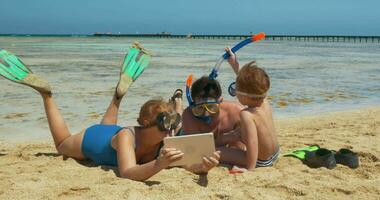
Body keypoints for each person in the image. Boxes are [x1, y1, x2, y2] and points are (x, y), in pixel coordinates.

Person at [0, 45, 220, 181]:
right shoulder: (127, 137)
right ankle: (46, 95)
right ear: (145, 123)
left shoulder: (166, 138)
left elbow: (184, 164)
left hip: (111, 131)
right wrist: (158, 164)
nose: (170, 131)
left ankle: (118, 96)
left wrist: (203, 166)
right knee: (62, 145)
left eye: (174, 124)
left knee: (109, 125)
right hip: (95, 138)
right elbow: (127, 172)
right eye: (164, 125)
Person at [224, 48, 279, 170]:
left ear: (244, 95)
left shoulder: (247, 114)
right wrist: (234, 64)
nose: (235, 94)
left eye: (236, 91)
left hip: (261, 161)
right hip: (275, 154)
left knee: (218, 152)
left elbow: (253, 144)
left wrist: (249, 169)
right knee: (239, 134)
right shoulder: (263, 100)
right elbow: (251, 84)